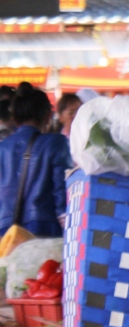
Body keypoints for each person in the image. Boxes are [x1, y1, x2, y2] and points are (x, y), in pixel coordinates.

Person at [0, 82, 70, 236]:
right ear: (47, 116)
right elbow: (62, 191)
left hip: (6, 230)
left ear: (14, 117)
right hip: (44, 229)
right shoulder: (56, 143)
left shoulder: (2, 148)